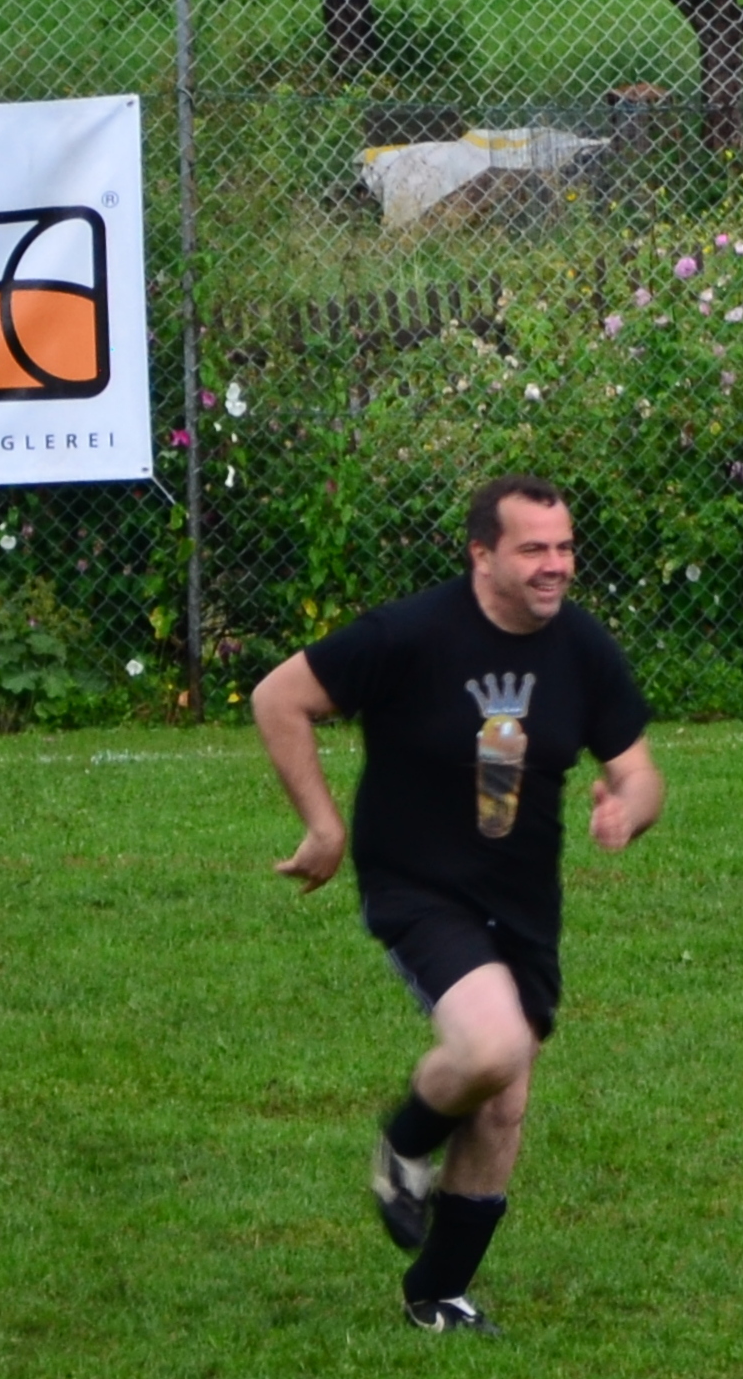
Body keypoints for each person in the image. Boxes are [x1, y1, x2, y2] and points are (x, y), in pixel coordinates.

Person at [252, 475, 662, 1333]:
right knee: (491, 1046)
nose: (555, 565)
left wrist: (629, 807)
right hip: (419, 885)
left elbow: (638, 769)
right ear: (482, 555)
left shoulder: (582, 647)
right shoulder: (409, 633)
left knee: (503, 1101)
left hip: (524, 901)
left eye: (564, 547)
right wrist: (323, 826)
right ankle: (405, 1141)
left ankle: (436, 1295)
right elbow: (279, 697)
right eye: (533, 548)